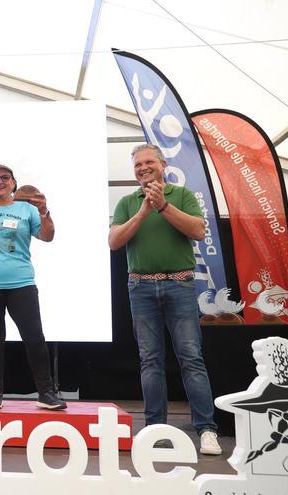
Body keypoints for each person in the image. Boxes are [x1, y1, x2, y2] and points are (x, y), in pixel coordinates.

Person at [108, 143, 222, 455]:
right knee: (150, 360)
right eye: (137, 165)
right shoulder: (128, 201)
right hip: (140, 288)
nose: (142, 168)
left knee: (191, 358)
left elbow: (199, 230)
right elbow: (114, 241)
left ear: (162, 163)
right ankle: (154, 429)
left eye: (148, 162)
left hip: (179, 286)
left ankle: (206, 429)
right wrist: (144, 210)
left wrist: (162, 206)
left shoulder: (182, 196)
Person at [0, 164, 66, 411]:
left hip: (21, 283)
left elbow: (47, 236)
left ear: (13, 183)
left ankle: (46, 393)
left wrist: (45, 211)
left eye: (5, 178)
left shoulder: (27, 209)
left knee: (34, 337)